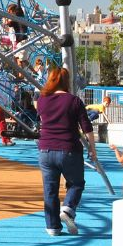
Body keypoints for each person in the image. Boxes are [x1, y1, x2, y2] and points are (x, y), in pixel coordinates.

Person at [36, 67, 96, 236]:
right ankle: (68, 209)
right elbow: (87, 128)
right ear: (66, 81)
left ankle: (53, 227)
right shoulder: (74, 101)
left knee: (50, 189)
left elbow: (41, 119)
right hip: (69, 148)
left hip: (45, 150)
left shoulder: (42, 100)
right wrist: (92, 149)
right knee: (76, 183)